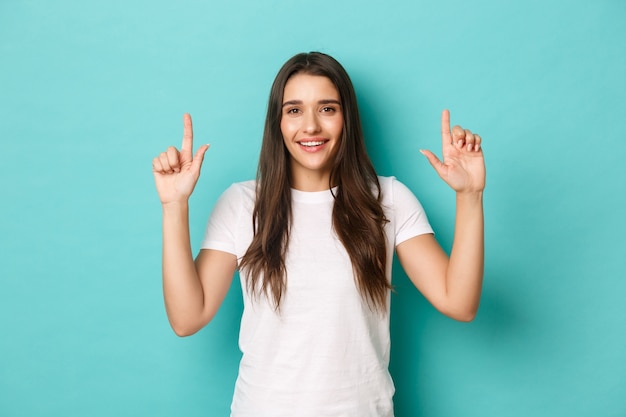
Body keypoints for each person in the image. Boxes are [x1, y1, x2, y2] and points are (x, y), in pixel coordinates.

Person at [152, 52, 485, 417]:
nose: (310, 126)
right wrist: (174, 206)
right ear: (277, 122)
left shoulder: (388, 199)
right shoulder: (241, 204)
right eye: (294, 110)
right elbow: (187, 318)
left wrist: (469, 196)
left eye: (327, 109)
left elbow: (459, 302)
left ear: (347, 119)